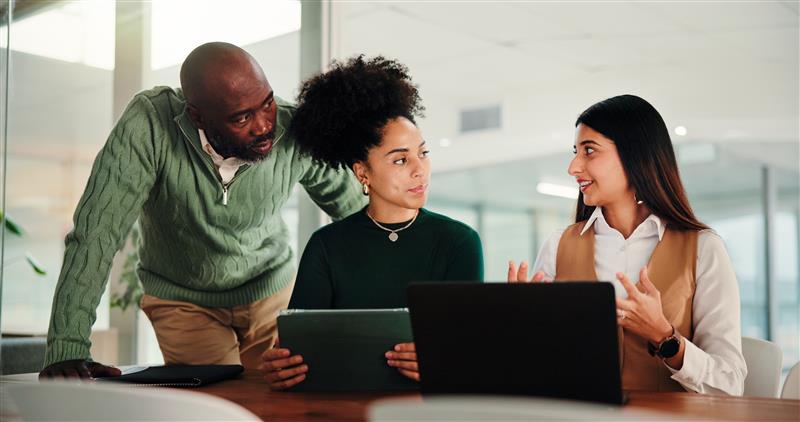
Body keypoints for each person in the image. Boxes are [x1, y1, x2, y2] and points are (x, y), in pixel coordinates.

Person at [39, 42, 365, 378]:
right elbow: (96, 235)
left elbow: (362, 216)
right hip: (184, 302)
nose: (264, 125)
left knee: (284, 395)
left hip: (271, 290)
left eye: (266, 103)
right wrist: (67, 347)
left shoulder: (291, 128)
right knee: (218, 407)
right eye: (242, 117)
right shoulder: (149, 125)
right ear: (197, 115)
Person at [259, 55, 484, 390]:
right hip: (336, 402)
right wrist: (281, 365)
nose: (419, 169)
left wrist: (445, 360)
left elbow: (468, 346)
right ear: (362, 172)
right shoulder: (327, 245)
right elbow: (298, 346)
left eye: (423, 153)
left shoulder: (459, 241)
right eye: (400, 159)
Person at [509, 94, 747, 395]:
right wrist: (520, 326)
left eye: (589, 151)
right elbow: (536, 369)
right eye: (575, 152)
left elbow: (730, 384)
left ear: (635, 155)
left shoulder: (704, 249)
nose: (573, 167)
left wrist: (665, 338)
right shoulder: (559, 245)